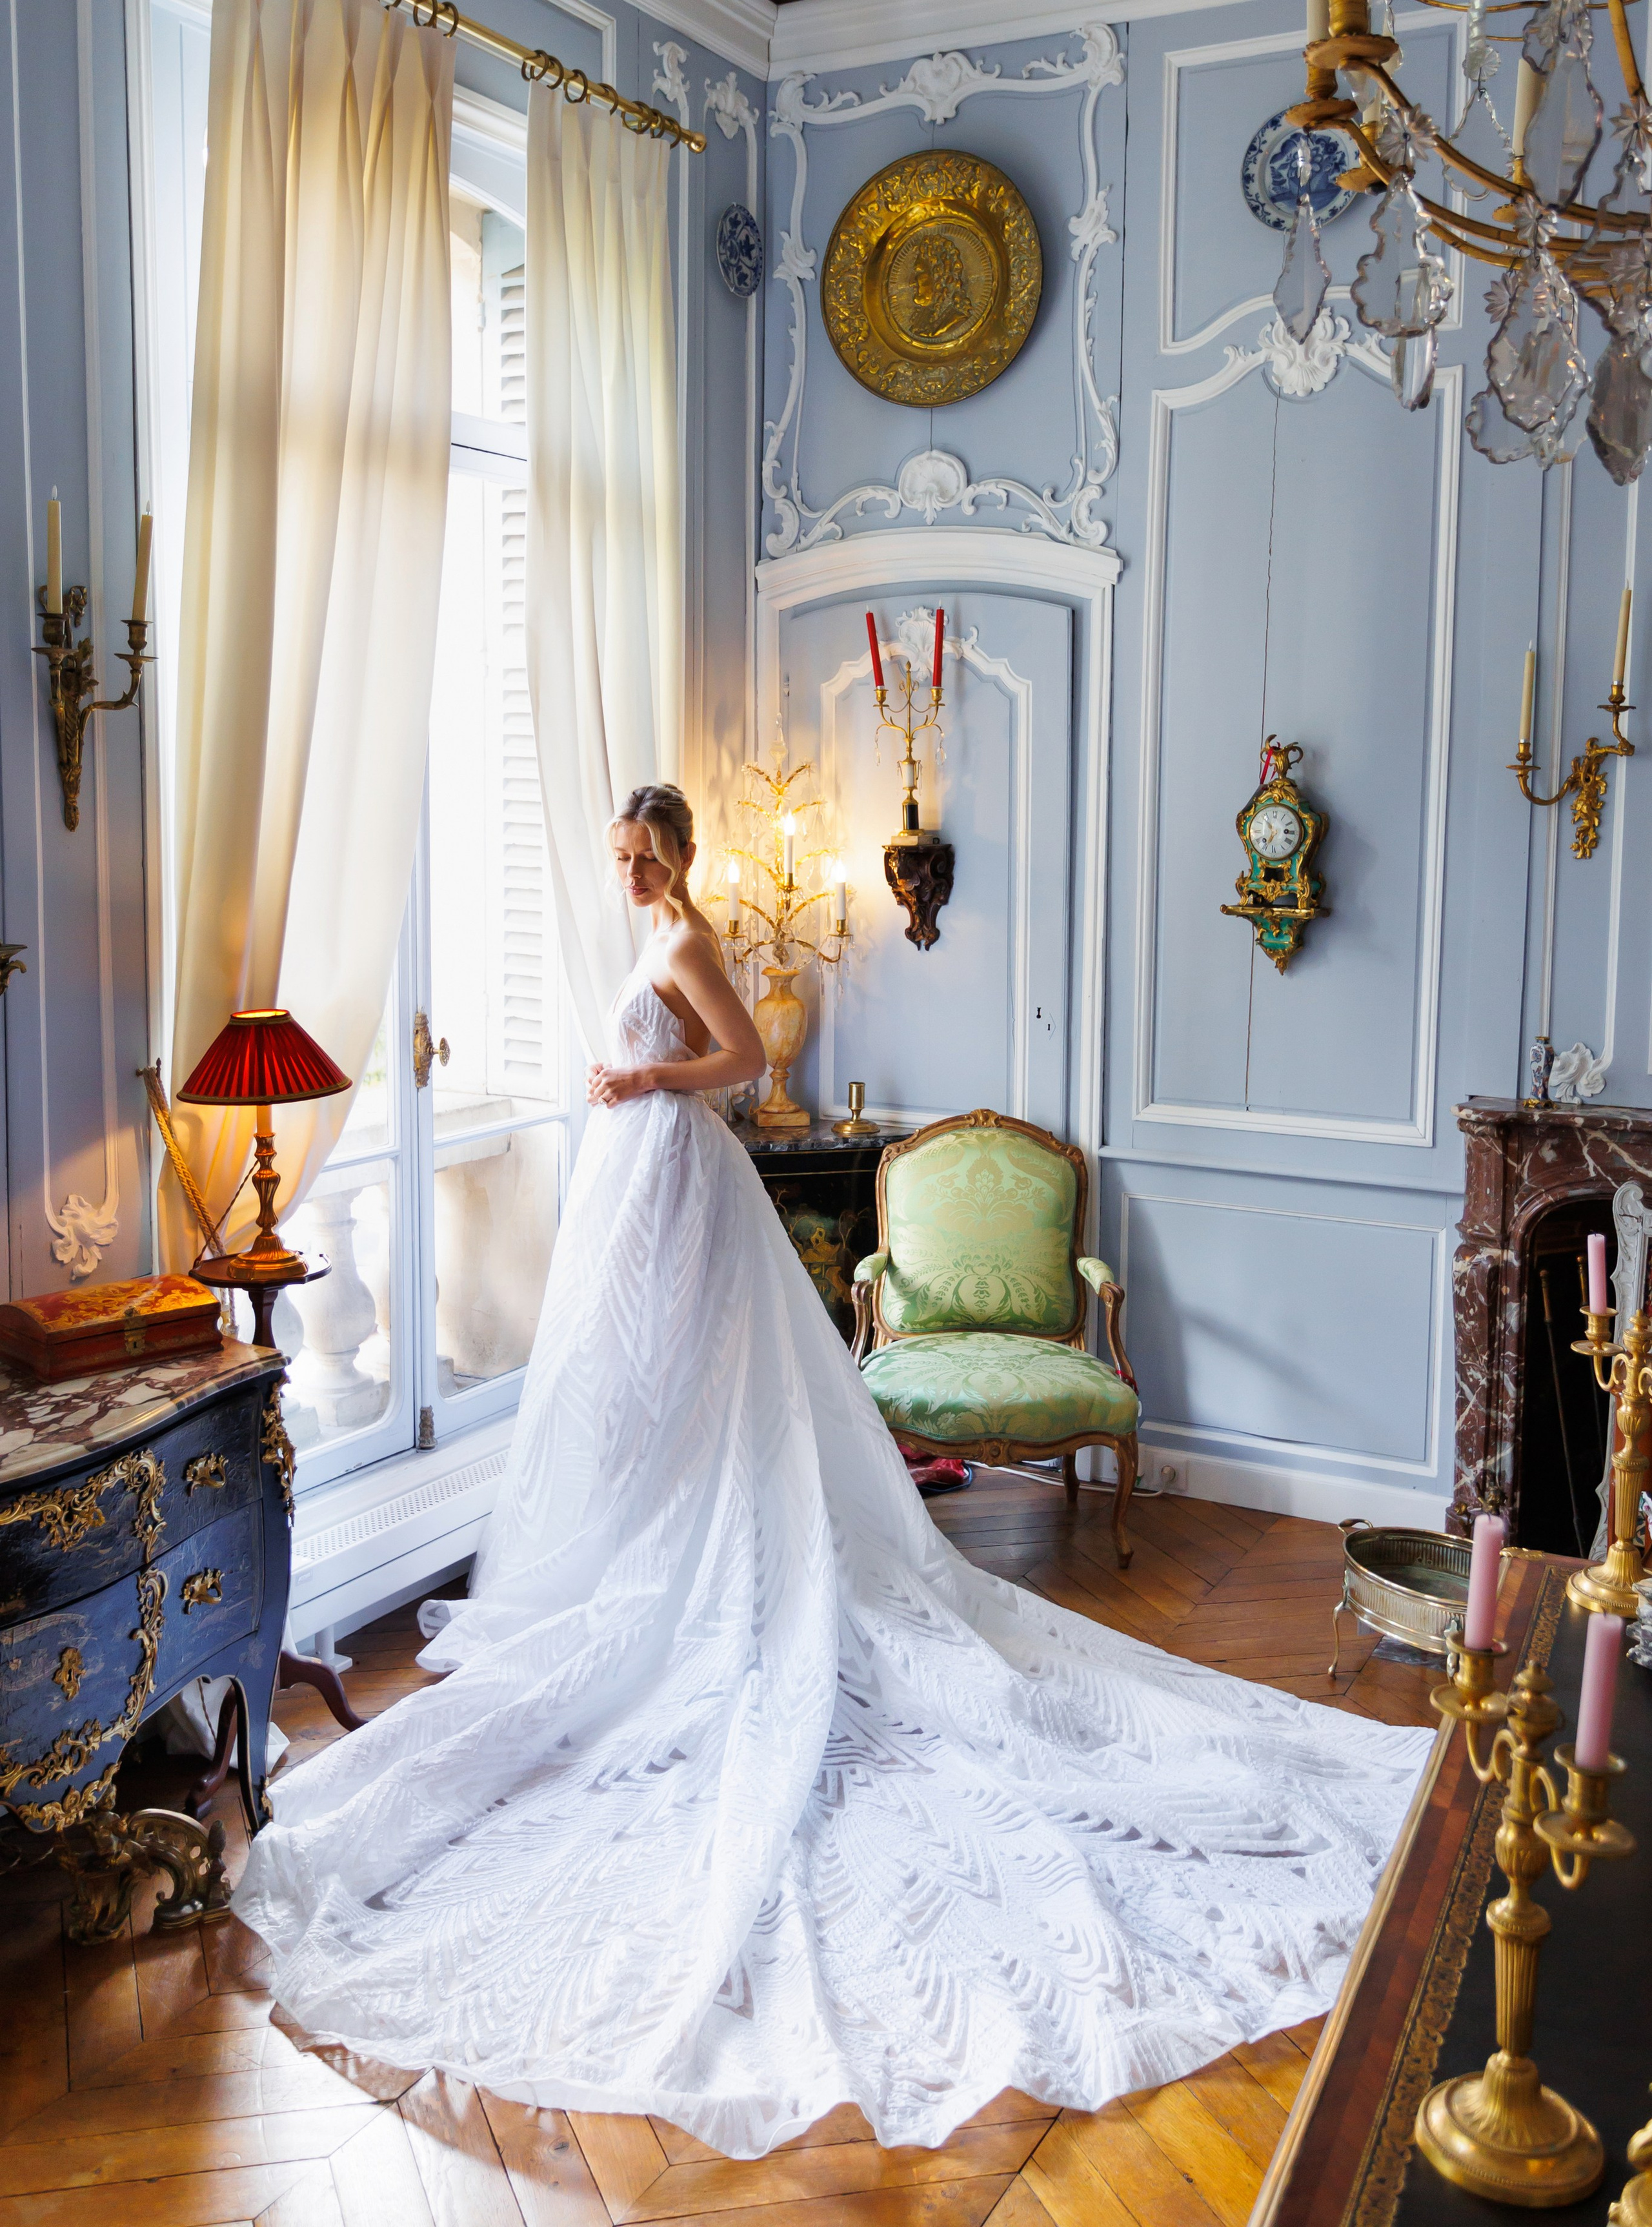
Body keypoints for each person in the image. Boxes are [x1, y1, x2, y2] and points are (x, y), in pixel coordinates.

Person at [236, 782, 1431, 2162]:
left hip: (679, 1171)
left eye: (643, 856)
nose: (626, 874)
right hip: (649, 1178)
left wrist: (639, 1079)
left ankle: (717, 1580)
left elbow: (738, 1064)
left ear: (680, 855)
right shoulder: (651, 934)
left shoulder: (684, 944)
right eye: (617, 857)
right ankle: (656, 1568)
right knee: (654, 1411)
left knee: (695, 1402)